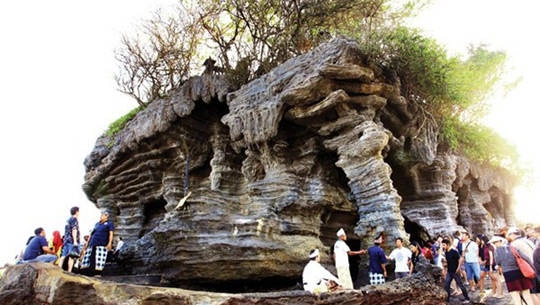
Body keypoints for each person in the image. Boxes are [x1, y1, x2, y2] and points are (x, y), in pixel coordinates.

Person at [492, 235, 535, 305]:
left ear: (500, 241)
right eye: (494, 243)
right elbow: (526, 258)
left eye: (495, 242)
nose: (495, 244)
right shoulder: (513, 247)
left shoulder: (497, 251)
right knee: (527, 296)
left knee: (516, 298)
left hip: (509, 274)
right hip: (520, 272)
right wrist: (532, 268)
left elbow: (498, 262)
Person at [80, 210, 114, 276]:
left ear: (106, 216)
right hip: (93, 243)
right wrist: (87, 242)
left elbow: (111, 233)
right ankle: (90, 273)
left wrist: (109, 243)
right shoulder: (97, 224)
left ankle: (98, 273)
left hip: (101, 243)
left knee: (99, 259)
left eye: (102, 215)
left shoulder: (109, 224)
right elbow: (91, 233)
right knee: (91, 258)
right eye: (100, 215)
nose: (100, 216)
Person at [442, 238, 470, 303]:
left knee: (460, 285)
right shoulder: (446, 252)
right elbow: (448, 261)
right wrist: (444, 267)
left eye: (444, 245)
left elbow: (460, 259)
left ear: (448, 244)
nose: (443, 246)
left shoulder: (454, 252)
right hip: (449, 271)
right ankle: (447, 300)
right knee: (446, 285)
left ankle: (467, 298)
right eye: (442, 245)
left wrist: (458, 268)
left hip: (455, 271)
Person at [59, 206, 80, 272]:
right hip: (71, 240)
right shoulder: (74, 219)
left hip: (66, 240)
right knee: (72, 256)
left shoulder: (68, 220)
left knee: (63, 256)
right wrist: (75, 241)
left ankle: (59, 269)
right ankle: (69, 271)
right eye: (78, 211)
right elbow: (74, 230)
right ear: (76, 212)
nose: (79, 213)